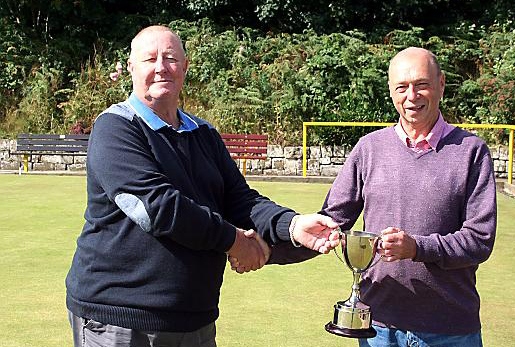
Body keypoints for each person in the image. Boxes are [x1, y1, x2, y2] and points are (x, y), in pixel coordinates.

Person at [65, 25, 339, 347]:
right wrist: (233, 241)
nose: (160, 67)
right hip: (119, 319)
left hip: (194, 317)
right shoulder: (116, 127)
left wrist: (291, 225)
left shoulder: (203, 133)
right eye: (149, 59)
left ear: (185, 66)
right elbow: (157, 208)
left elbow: (239, 199)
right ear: (131, 68)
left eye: (170, 58)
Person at [322, 47, 496, 347]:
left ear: (441, 84)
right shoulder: (369, 148)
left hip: (450, 330)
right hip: (378, 328)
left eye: (422, 85)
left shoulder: (471, 151)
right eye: (401, 87)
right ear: (391, 91)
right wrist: (277, 239)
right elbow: (332, 220)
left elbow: (480, 240)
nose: (411, 96)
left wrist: (417, 248)